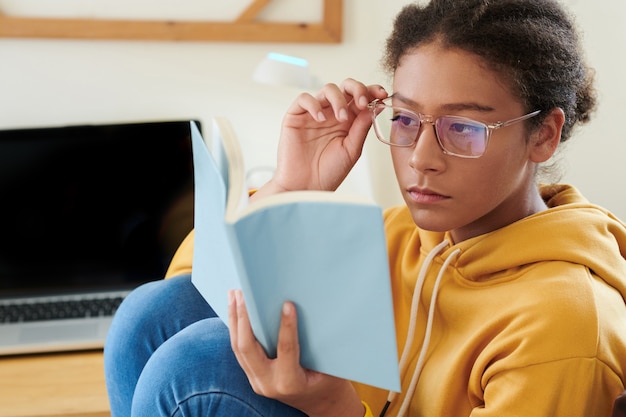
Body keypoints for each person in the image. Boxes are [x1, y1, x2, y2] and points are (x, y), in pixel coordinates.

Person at [104, 0, 626, 416]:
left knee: (198, 365)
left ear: (545, 135)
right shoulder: (398, 236)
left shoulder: (564, 324)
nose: (421, 159)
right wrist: (293, 185)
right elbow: (200, 281)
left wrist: (333, 408)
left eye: (463, 128)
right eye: (404, 119)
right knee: (155, 314)